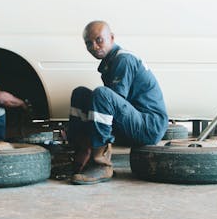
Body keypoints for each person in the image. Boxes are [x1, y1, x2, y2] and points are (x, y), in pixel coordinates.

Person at [68, 21, 169, 185]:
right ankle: (82, 153)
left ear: (112, 38)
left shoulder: (124, 59)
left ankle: (101, 164)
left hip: (149, 126)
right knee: (80, 94)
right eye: (89, 43)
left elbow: (112, 102)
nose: (94, 46)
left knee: (102, 95)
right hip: (132, 122)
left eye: (99, 40)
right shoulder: (110, 61)